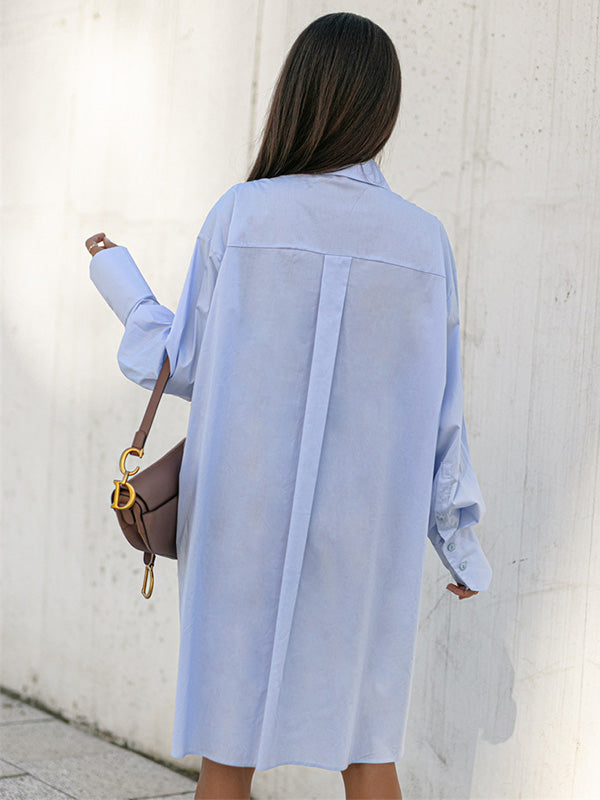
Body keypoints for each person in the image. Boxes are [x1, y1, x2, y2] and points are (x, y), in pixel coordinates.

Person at [85, 11, 492, 800]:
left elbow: (183, 362)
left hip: (241, 518)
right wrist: (458, 542)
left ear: (296, 96)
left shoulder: (243, 215)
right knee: (366, 748)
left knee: (227, 751)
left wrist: (120, 281)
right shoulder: (423, 240)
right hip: (368, 532)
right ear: (383, 108)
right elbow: (442, 410)